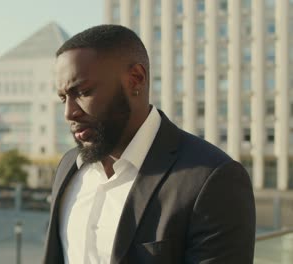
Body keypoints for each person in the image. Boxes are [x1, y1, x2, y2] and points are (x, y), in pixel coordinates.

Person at [43, 25, 255, 264]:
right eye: (63, 98)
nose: (69, 112)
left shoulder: (213, 179)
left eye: (83, 92)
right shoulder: (69, 166)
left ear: (136, 79)